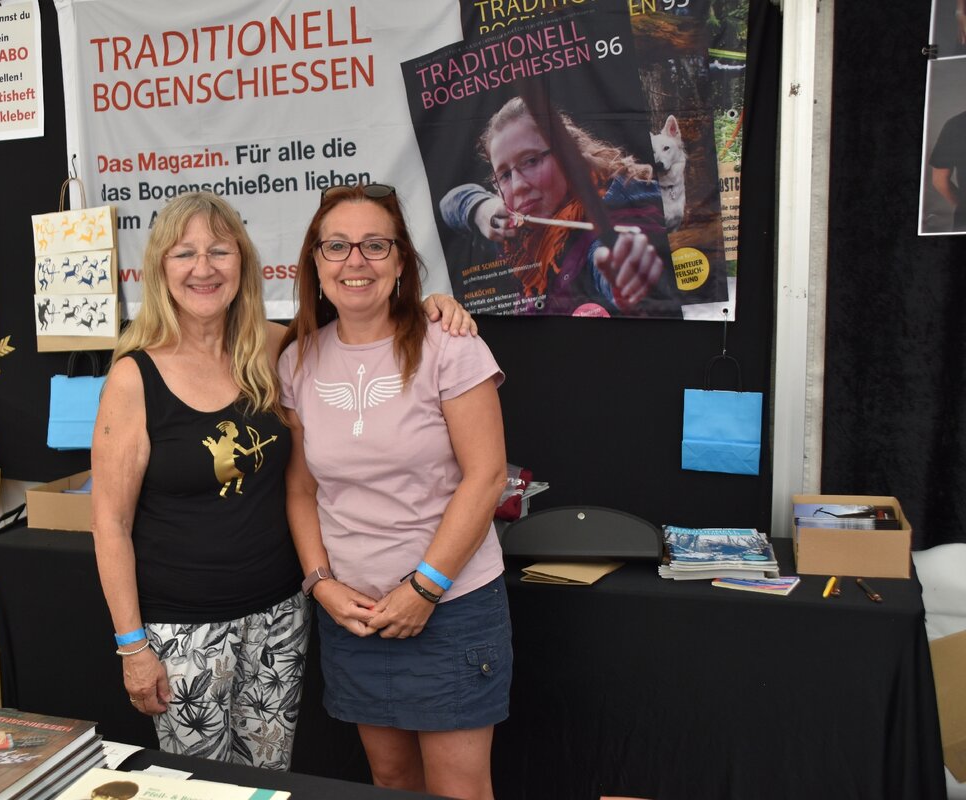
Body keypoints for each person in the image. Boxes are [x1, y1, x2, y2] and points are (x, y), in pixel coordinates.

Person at [90, 190, 475, 771]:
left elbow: (363, 318)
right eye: (184, 253)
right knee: (205, 787)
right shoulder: (133, 377)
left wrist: (431, 306)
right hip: (184, 633)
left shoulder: (275, 348)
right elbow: (109, 523)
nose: (203, 268)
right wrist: (131, 646)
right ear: (159, 269)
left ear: (242, 263)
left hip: (280, 619)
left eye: (219, 251)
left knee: (267, 780)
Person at [279, 183, 511, 800]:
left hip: (451, 606)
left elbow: (487, 477)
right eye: (336, 246)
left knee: (458, 790)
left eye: (374, 245)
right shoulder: (297, 361)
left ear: (401, 259)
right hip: (354, 616)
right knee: (391, 782)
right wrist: (321, 584)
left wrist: (424, 589)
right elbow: (301, 489)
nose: (355, 261)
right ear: (315, 262)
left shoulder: (450, 346)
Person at [440, 95, 672, 316]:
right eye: (504, 175)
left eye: (531, 161)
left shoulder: (615, 209)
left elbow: (604, 255)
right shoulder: (517, 234)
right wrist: (482, 208)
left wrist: (621, 274)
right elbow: (451, 201)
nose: (518, 186)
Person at [929, 109, 966, 232]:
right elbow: (940, 181)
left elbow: (939, 181)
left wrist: (963, 206)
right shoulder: (957, 125)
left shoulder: (956, 124)